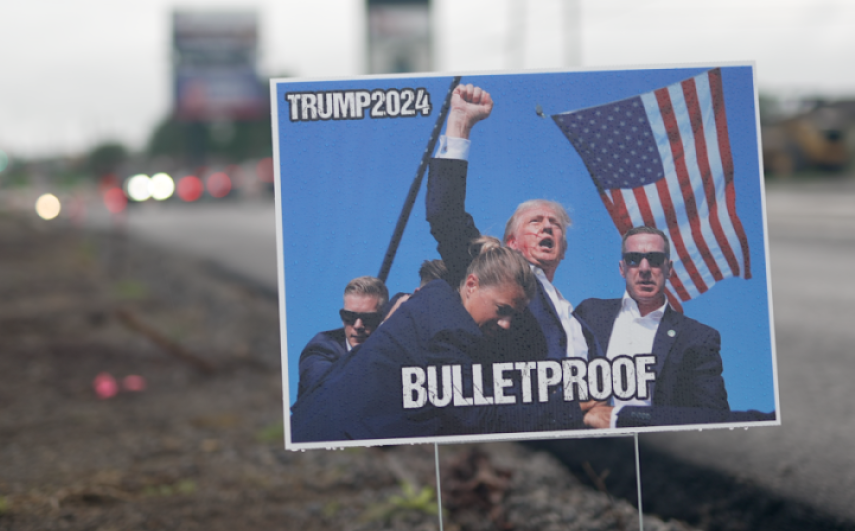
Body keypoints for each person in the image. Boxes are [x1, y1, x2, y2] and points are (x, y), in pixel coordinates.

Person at [425, 83, 589, 428]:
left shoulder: (579, 320)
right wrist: (460, 123)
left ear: (564, 248)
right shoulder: (494, 275)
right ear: (511, 242)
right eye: (535, 222)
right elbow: (446, 215)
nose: (547, 228)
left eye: (555, 224)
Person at [290, 237, 539, 442]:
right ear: (471, 285)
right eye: (502, 310)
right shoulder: (448, 332)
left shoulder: (431, 314)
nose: (506, 325)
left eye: (513, 317)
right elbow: (478, 416)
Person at [573, 226, 731, 428]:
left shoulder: (697, 338)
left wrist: (620, 418)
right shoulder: (590, 313)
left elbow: (715, 417)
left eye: (655, 260)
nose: (645, 268)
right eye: (634, 259)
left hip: (655, 447)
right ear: (622, 268)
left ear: (669, 269)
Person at [295, 276, 388, 399]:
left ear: (383, 319)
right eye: (349, 316)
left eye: (368, 318)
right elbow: (326, 389)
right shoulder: (320, 348)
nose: (358, 325)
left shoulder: (394, 349)